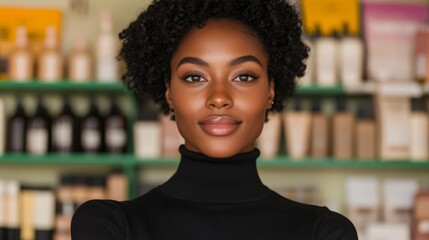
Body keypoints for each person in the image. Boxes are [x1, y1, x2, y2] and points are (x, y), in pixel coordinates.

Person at [71, 0, 358, 239]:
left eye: (244, 76)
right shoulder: (110, 226)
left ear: (270, 91)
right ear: (169, 92)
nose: (219, 97)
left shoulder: (325, 233)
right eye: (194, 77)